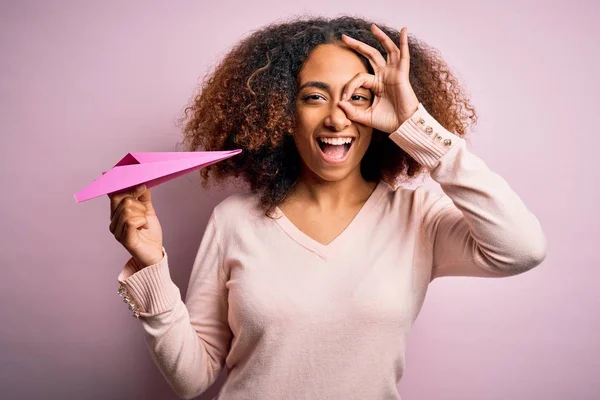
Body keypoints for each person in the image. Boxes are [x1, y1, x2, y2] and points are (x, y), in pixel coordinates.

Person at [108, 15, 547, 400]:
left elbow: (521, 249)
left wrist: (417, 128)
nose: (337, 119)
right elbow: (191, 378)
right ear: (282, 112)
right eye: (314, 97)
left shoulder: (417, 216)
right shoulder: (234, 220)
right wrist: (150, 268)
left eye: (359, 97)